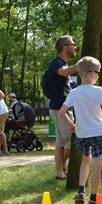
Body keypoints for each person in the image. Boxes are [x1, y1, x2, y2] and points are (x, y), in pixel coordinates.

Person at [58, 56, 102, 204]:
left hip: (81, 134)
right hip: (97, 132)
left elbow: (62, 112)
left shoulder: (74, 92)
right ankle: (93, 197)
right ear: (91, 72)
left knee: (85, 161)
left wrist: (72, 125)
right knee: (97, 165)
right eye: (98, 72)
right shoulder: (98, 90)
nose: (99, 76)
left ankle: (81, 190)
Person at [46, 36, 78, 179]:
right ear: (65, 47)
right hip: (60, 109)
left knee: (60, 142)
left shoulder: (63, 63)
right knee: (73, 140)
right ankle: (61, 167)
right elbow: (64, 72)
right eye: (73, 44)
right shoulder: (56, 63)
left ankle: (60, 171)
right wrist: (82, 64)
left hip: (61, 108)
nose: (75, 47)